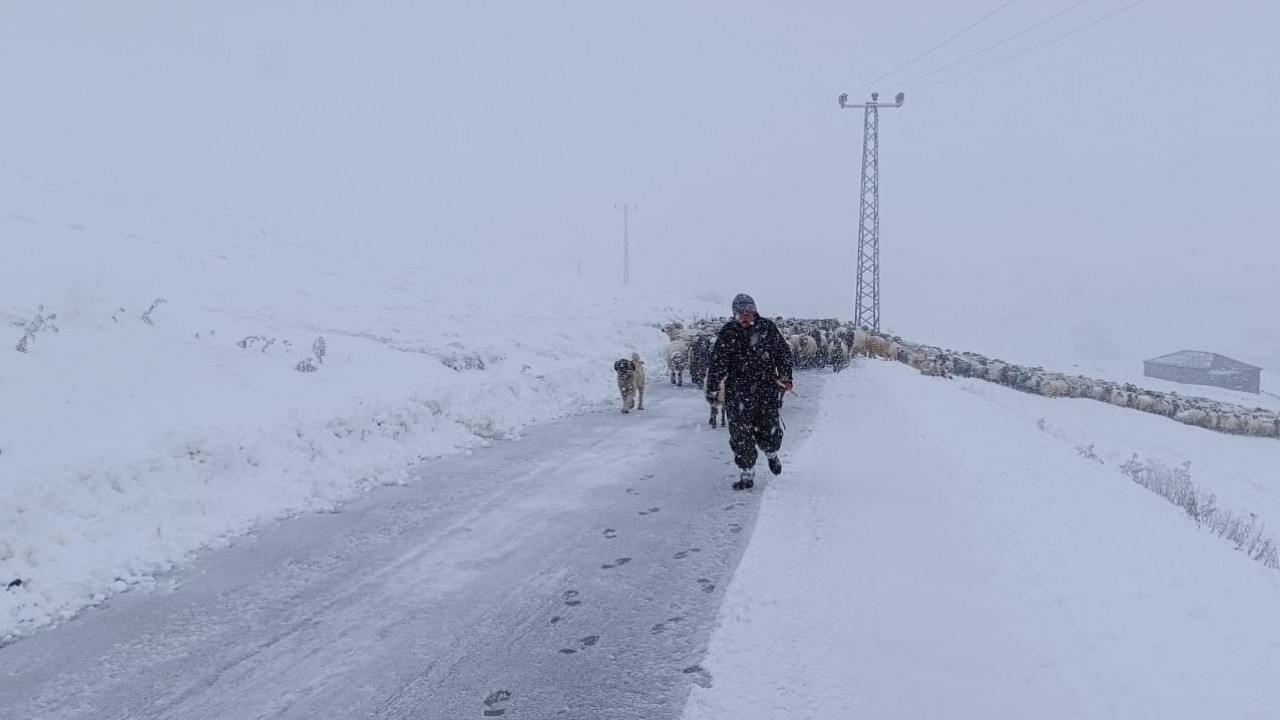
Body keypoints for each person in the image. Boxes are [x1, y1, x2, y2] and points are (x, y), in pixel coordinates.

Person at [704, 293, 794, 490]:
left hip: (766, 390)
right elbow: (717, 361)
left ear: (754, 312)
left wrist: (786, 376)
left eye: (748, 312)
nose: (745, 317)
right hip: (737, 392)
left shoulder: (767, 328)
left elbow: (783, 353)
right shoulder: (728, 332)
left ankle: (771, 453)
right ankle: (746, 472)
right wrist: (712, 386)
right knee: (740, 434)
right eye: (740, 313)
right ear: (735, 314)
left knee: (768, 428)